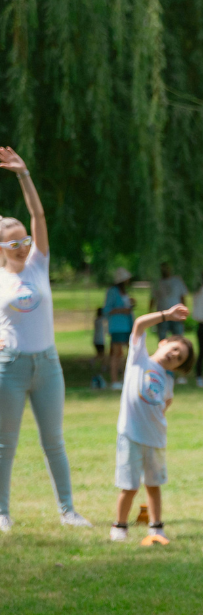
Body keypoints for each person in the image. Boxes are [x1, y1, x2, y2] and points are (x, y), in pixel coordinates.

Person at [0, 146, 93, 533]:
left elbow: (38, 215)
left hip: (48, 366)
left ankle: (68, 511)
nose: (22, 247)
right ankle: (1, 513)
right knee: (5, 444)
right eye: (13, 244)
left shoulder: (39, 263)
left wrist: (23, 174)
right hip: (10, 368)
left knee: (54, 440)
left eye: (24, 240)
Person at [109, 304, 194, 543]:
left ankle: (156, 527)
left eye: (179, 358)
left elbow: (167, 402)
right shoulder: (139, 358)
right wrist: (167, 315)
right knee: (129, 486)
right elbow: (138, 324)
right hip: (130, 435)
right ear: (163, 342)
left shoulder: (168, 380)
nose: (174, 355)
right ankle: (120, 526)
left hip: (155, 439)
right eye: (174, 349)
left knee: (154, 485)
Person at [104, 268, 135, 390]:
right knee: (116, 353)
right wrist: (122, 310)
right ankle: (114, 380)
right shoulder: (112, 291)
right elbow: (107, 309)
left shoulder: (124, 292)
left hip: (127, 325)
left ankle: (125, 378)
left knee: (127, 352)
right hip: (117, 326)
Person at [150, 263, 188, 339]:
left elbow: (182, 297)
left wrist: (183, 311)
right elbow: (153, 298)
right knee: (162, 337)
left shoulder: (177, 281)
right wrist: (151, 313)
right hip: (162, 313)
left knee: (178, 337)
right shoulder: (158, 283)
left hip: (177, 313)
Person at [92, 307, 108, 388]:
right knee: (103, 355)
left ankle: (95, 361)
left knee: (100, 354)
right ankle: (103, 366)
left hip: (96, 340)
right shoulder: (102, 320)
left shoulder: (96, 320)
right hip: (101, 340)